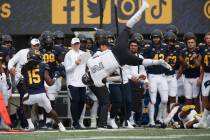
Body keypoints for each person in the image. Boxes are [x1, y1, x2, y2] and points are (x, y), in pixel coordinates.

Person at [82, 1, 171, 88]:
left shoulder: (97, 82)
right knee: (127, 28)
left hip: (121, 60)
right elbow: (99, 54)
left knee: (142, 62)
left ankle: (158, 62)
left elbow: (116, 79)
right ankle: (143, 8)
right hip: (116, 50)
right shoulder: (89, 63)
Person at [21, 50, 65, 131]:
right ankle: (61, 126)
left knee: (24, 102)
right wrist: (55, 76)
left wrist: (30, 90)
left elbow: (24, 86)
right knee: (50, 110)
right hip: (42, 95)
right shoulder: (43, 66)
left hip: (31, 95)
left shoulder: (24, 68)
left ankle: (30, 124)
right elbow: (50, 83)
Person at [8, 38, 41, 128]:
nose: (36, 47)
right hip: (21, 80)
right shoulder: (22, 52)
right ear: (30, 45)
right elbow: (11, 61)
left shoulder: (40, 55)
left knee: (29, 102)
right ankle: (25, 123)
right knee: (26, 98)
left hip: (32, 81)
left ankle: (19, 115)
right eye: (34, 45)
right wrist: (11, 68)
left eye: (37, 45)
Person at [143, 29, 169, 127]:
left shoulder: (165, 48)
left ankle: (158, 117)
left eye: (157, 37)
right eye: (154, 37)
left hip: (162, 76)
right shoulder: (148, 49)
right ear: (151, 38)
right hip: (152, 76)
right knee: (153, 100)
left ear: (160, 38)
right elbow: (144, 63)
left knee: (165, 100)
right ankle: (151, 121)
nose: (156, 39)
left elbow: (166, 60)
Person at [64, 37, 87, 129]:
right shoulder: (68, 54)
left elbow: (87, 66)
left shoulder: (84, 54)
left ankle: (76, 120)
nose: (76, 45)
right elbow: (66, 69)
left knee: (82, 101)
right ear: (71, 45)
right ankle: (75, 122)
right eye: (75, 44)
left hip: (82, 82)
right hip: (72, 82)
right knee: (75, 101)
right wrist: (75, 64)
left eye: (78, 43)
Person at [177, 32, 202, 113]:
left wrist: (194, 59)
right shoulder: (183, 52)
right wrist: (176, 77)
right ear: (186, 44)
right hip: (187, 77)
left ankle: (197, 116)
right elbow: (182, 67)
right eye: (189, 43)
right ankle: (188, 117)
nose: (190, 44)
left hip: (196, 77)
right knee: (188, 98)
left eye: (192, 42)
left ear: (195, 43)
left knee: (196, 98)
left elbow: (199, 66)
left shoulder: (199, 51)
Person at [195, 32, 210, 128]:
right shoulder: (202, 48)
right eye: (207, 38)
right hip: (207, 75)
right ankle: (205, 121)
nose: (208, 40)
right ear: (205, 39)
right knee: (204, 97)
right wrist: (194, 59)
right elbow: (198, 65)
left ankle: (205, 120)